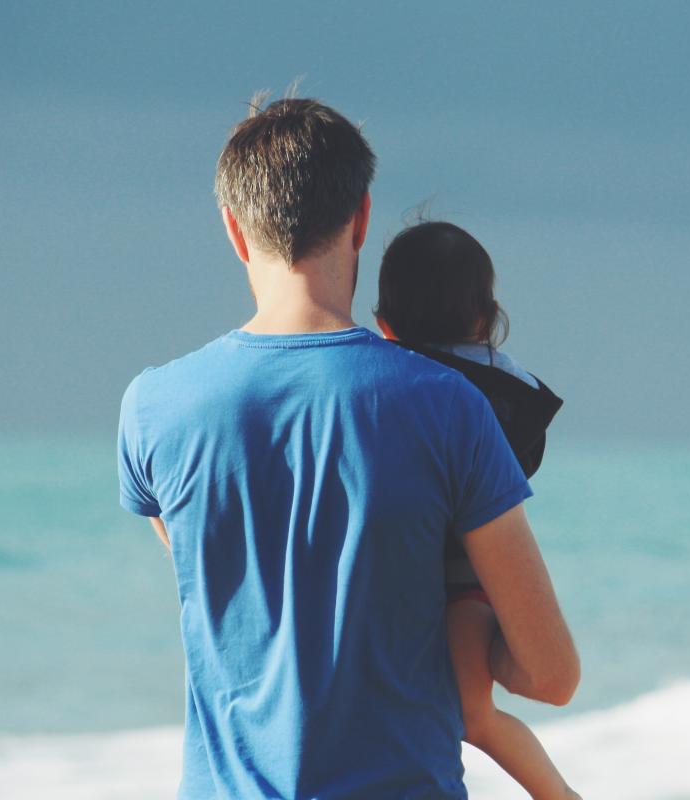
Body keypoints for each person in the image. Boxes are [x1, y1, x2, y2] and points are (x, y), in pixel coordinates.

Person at [115, 95, 579, 800]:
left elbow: (231, 595)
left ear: (236, 230)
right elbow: (551, 675)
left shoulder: (152, 408)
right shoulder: (449, 404)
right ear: (361, 218)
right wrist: (472, 648)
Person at [374, 220, 575, 799]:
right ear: (487, 316)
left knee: (467, 713)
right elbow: (525, 463)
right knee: (472, 715)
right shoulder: (507, 385)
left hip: (430, 571)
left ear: (384, 324)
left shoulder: (386, 380)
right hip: (476, 576)